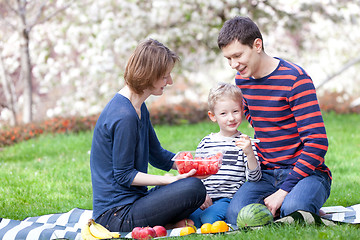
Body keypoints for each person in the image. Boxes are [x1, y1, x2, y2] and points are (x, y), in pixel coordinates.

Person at [217, 16, 332, 224]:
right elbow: (252, 114)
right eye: (228, 59)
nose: (234, 64)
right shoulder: (242, 80)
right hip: (267, 173)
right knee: (236, 215)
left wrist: (284, 191)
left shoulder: (295, 79)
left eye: (237, 55)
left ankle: (296, 201)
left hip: (307, 172)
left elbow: (317, 142)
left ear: (257, 45)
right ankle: (287, 204)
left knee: (294, 210)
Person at [90, 39, 206, 232]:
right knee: (193, 189)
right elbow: (124, 175)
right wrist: (168, 180)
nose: (169, 82)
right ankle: (168, 220)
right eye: (165, 76)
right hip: (115, 214)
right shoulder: (124, 116)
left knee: (191, 184)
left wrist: (195, 166)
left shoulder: (139, 107)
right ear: (149, 75)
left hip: (135, 202)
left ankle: (167, 221)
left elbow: (157, 155)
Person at [189, 83, 262, 227]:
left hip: (228, 199)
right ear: (213, 116)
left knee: (208, 220)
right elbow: (196, 174)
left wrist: (249, 153)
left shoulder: (246, 143)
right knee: (189, 219)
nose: (231, 118)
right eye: (223, 113)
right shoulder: (206, 142)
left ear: (242, 110)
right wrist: (202, 194)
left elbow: (255, 178)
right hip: (205, 197)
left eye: (235, 111)